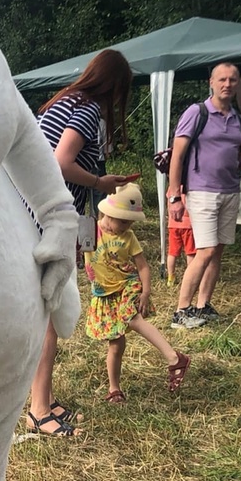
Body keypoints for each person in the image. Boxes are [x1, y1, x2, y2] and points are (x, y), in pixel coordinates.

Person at [28, 48, 134, 437]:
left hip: (31, 212)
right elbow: (61, 161)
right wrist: (100, 183)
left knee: (48, 310)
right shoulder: (89, 109)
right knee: (50, 311)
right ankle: (39, 410)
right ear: (115, 86)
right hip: (47, 218)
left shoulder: (63, 100)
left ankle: (45, 396)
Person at [166, 62, 241, 330]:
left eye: (233, 80)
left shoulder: (236, 118)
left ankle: (203, 305)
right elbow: (177, 154)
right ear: (211, 82)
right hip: (201, 191)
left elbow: (236, 160)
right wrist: (174, 194)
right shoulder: (196, 112)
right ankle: (181, 311)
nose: (227, 84)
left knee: (217, 251)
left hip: (229, 191)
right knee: (206, 250)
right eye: (222, 79)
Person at [84, 183, 190, 402]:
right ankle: (114, 389)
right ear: (108, 212)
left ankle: (174, 358)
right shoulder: (89, 230)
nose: (127, 226)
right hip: (105, 294)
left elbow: (142, 266)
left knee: (132, 319)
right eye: (123, 220)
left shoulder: (128, 237)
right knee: (116, 343)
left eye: (130, 221)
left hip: (127, 286)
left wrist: (145, 292)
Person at [165, 194, 195, 288]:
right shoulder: (190, 186)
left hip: (173, 224)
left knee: (172, 253)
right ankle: (190, 278)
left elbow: (169, 206)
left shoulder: (172, 189)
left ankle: (170, 278)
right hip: (188, 224)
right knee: (190, 253)